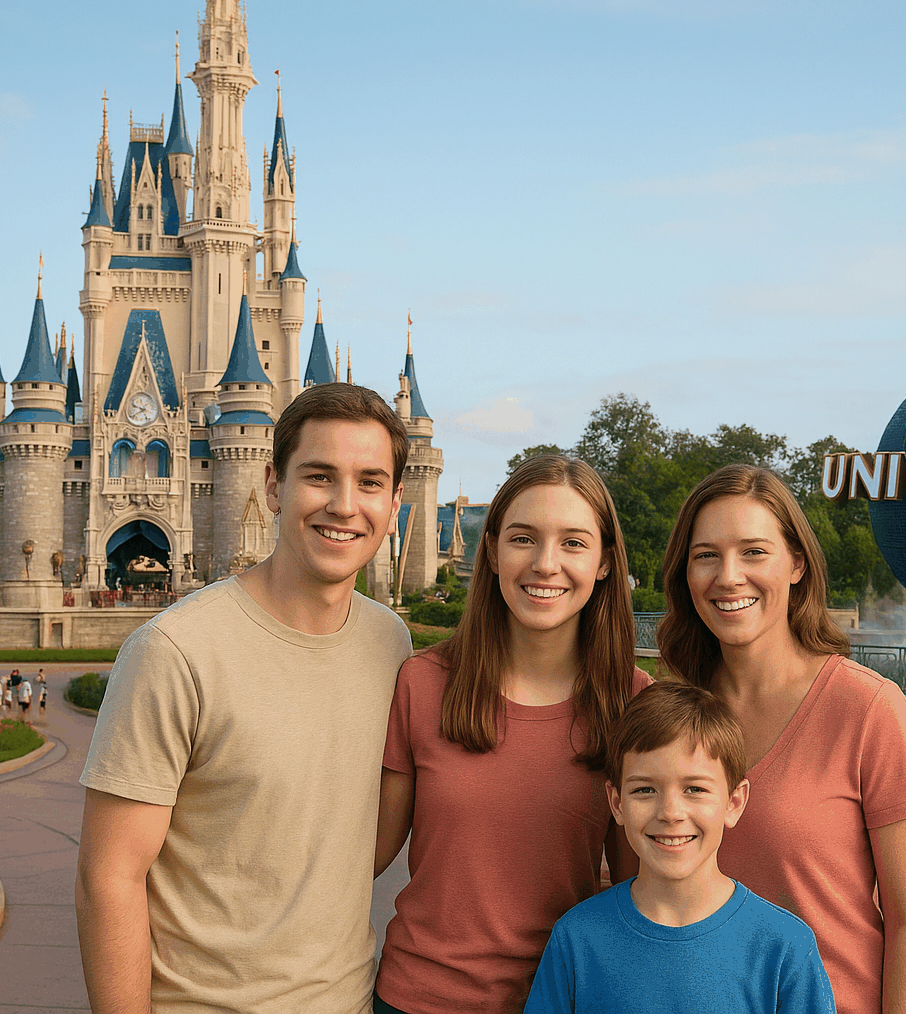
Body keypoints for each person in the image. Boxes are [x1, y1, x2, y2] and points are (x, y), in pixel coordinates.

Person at [77, 383, 414, 1014]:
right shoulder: (175, 651)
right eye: (319, 476)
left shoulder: (390, 643)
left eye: (370, 482)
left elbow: (356, 842)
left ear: (396, 502)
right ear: (272, 485)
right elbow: (108, 879)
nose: (345, 505)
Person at [657, 465, 906, 1014]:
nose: (728, 576)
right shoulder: (671, 717)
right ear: (685, 574)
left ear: (797, 565)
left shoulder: (869, 711)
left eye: (754, 552)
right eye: (706, 555)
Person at [373, 454, 650, 1014]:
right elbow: (364, 855)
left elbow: (637, 889)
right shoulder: (423, 683)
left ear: (602, 563)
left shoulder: (633, 703)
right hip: (419, 999)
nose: (546, 564)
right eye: (523, 539)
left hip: (565, 998)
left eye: (573, 542)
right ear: (493, 552)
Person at [524, 681, 836, 1014]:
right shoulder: (575, 940)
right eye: (645, 790)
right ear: (616, 804)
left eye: (695, 789)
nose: (670, 813)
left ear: (734, 801)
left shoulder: (785, 948)